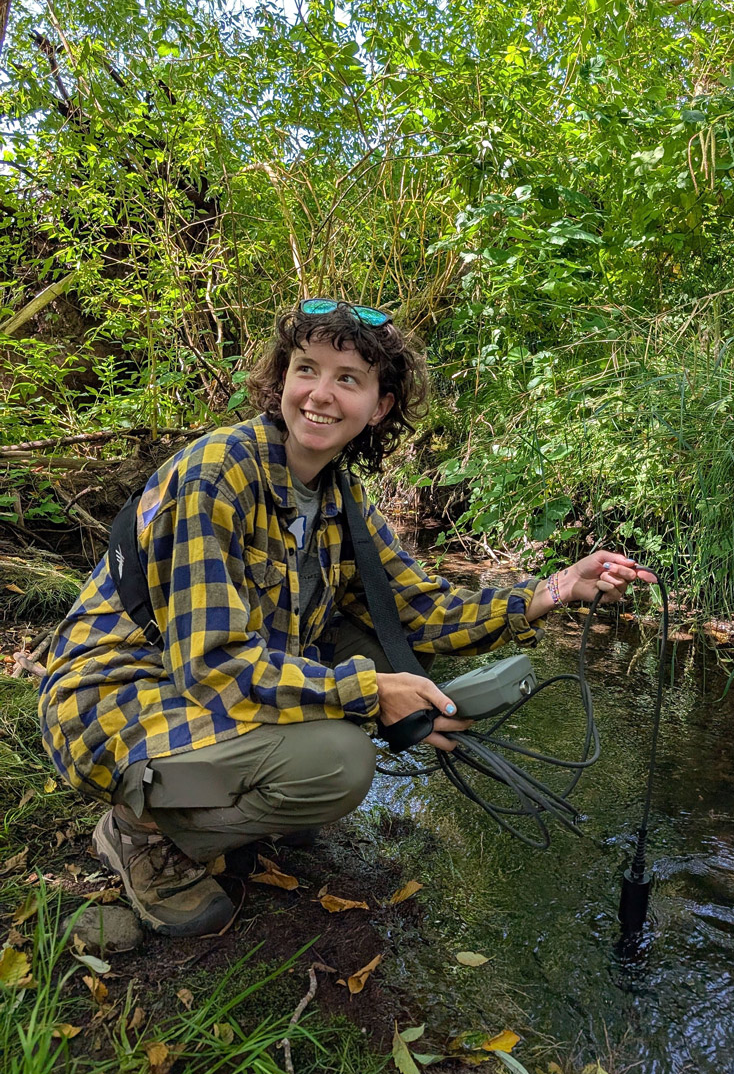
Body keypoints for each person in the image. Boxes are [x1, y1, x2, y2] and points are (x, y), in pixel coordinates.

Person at [39, 299, 654, 938]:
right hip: (114, 697)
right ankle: (141, 834)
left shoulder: (338, 494)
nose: (320, 395)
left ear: (380, 406)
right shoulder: (217, 473)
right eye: (307, 369)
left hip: (196, 687)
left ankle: (246, 801)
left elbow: (421, 610)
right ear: (282, 379)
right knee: (341, 760)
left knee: (396, 651)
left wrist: (556, 589)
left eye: (348, 379)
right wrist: (367, 696)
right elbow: (212, 665)